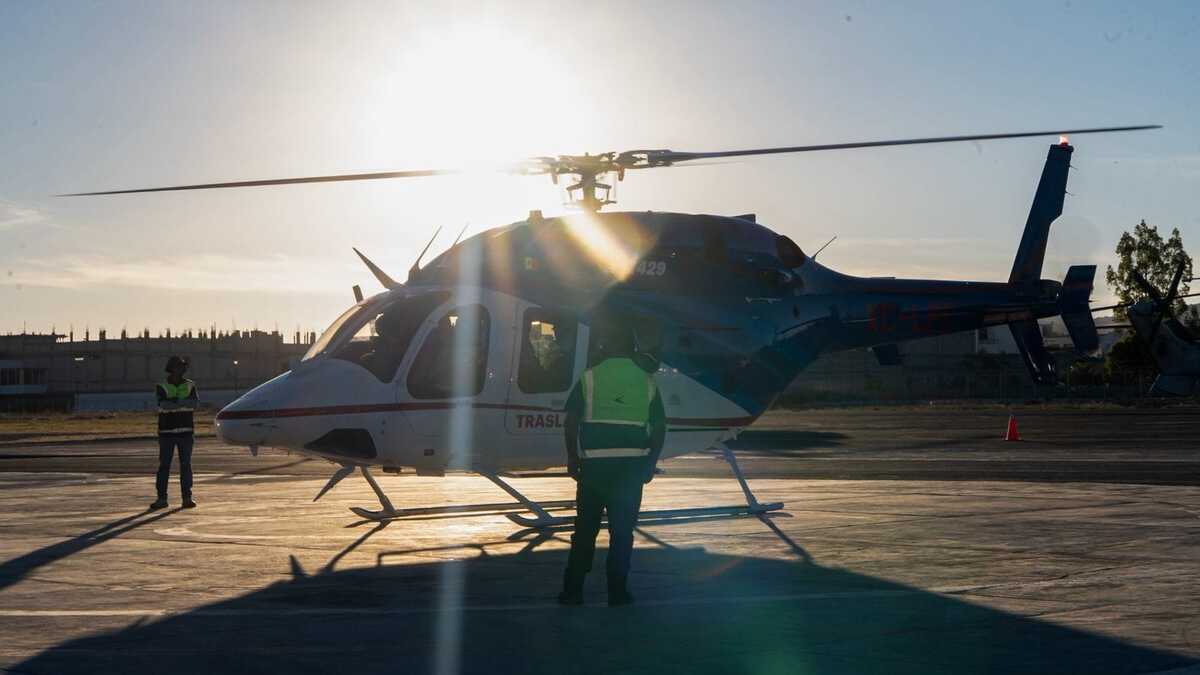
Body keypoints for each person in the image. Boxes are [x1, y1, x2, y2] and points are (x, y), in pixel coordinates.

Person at [559, 320, 665, 607]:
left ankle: (572, 591)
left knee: (584, 532)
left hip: (593, 469)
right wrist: (649, 465)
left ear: (605, 346)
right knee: (621, 534)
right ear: (632, 348)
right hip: (630, 470)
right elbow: (658, 429)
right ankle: (617, 592)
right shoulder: (646, 380)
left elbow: (570, 422)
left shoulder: (589, 378)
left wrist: (573, 457)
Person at [150, 355, 199, 510]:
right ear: (171, 368)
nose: (181, 369)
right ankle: (161, 498)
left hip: (185, 432)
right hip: (167, 432)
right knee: (164, 466)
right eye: (178, 366)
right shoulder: (161, 386)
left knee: (186, 465)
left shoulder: (191, 385)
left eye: (182, 367)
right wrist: (182, 403)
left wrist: (175, 403)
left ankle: (187, 498)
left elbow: (194, 404)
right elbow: (164, 405)